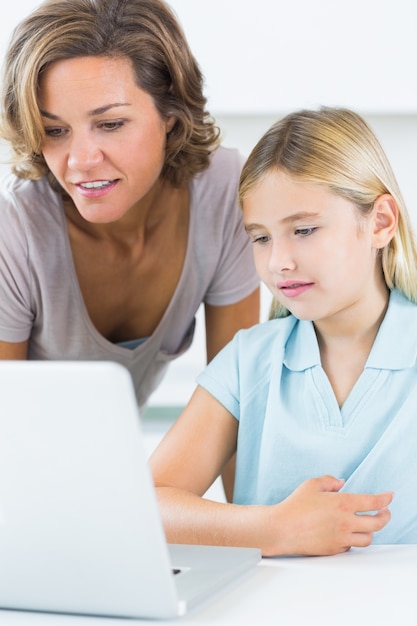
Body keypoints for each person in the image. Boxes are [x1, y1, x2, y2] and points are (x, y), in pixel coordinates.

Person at [0, 0, 260, 498]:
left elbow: (236, 409)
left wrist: (256, 545)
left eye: (111, 123)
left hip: (104, 492)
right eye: (55, 130)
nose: (80, 160)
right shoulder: (15, 229)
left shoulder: (225, 193)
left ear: (170, 114)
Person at [150, 106, 417, 557]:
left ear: (380, 223)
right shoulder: (248, 361)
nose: (278, 263)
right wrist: (271, 529)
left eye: (304, 230)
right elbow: (148, 507)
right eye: (261, 238)